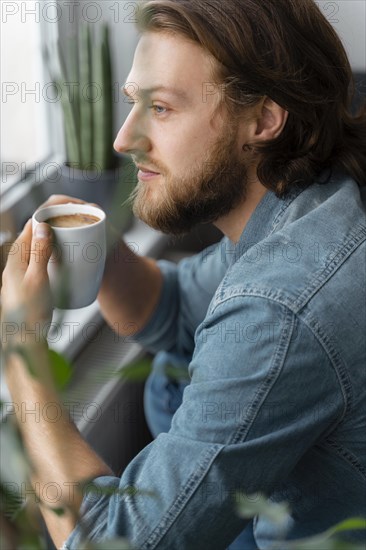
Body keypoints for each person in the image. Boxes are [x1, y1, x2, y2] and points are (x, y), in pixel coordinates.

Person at [1, 0, 366, 548]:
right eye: (132, 104)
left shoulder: (282, 301)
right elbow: (174, 308)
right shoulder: (306, 204)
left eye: (163, 109)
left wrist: (20, 347)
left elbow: (112, 542)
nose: (124, 139)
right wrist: (97, 248)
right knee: (172, 374)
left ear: (263, 120)